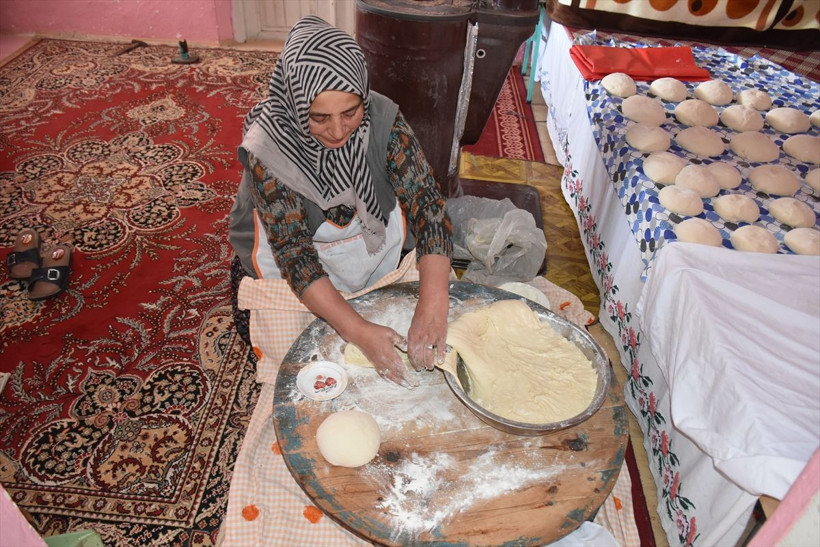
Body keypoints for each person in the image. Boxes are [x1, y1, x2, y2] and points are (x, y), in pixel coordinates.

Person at [228, 15, 453, 387]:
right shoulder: (268, 148)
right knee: (306, 362)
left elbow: (428, 206)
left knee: (432, 309)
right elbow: (294, 254)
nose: (337, 131)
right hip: (290, 273)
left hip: (373, 257)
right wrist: (358, 330)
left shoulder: (385, 122)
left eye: (350, 112)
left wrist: (433, 303)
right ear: (296, 106)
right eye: (318, 118)